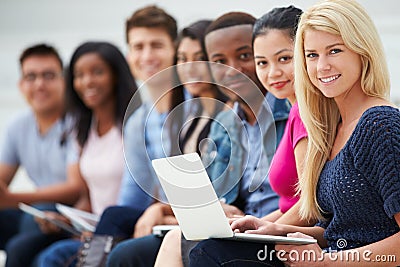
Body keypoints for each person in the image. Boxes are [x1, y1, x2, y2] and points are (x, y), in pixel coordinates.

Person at [191, 0, 400, 266]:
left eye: (334, 51)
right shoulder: (332, 128)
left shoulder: (381, 124)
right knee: (213, 249)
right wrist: (275, 229)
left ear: (363, 52)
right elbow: (343, 231)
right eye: (312, 55)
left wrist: (326, 263)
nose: (321, 66)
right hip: (329, 256)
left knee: (213, 254)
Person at [155, 6, 307, 266]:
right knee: (140, 246)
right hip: (250, 223)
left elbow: (310, 203)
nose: (233, 70)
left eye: (245, 56)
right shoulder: (225, 121)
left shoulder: (294, 111)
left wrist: (262, 226)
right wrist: (218, 210)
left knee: (191, 248)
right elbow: (221, 190)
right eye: (220, 62)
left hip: (278, 229)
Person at [104, 19, 230, 267]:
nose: (191, 67)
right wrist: (160, 211)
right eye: (184, 58)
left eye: (200, 58)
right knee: (114, 224)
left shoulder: (222, 116)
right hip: (188, 218)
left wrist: (160, 212)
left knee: (122, 249)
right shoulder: (185, 120)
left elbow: (218, 198)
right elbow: (143, 193)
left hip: (213, 221)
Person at [35, 41, 141, 267]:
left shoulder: (134, 125)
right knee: (32, 247)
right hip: (94, 231)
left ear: (116, 76)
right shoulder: (82, 129)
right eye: (79, 75)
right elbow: (88, 195)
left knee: (53, 257)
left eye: (97, 72)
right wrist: (68, 221)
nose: (87, 81)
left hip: (126, 229)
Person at [0, 44, 84, 267]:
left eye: (48, 75)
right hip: (33, 214)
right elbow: (2, 181)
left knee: (35, 218)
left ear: (64, 81)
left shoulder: (77, 122)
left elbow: (74, 189)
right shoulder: (18, 126)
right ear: (20, 84)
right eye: (31, 76)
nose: (39, 84)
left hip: (70, 216)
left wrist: (11, 199)